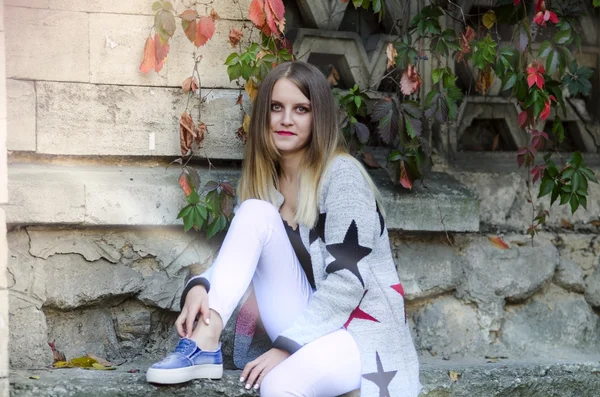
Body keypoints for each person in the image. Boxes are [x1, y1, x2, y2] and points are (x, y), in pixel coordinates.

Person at [146, 61, 421, 396]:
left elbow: (349, 282)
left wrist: (286, 348)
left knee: (279, 382)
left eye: (301, 109)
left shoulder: (342, 176)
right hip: (311, 324)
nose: (286, 119)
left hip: (360, 333)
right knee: (253, 212)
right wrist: (201, 287)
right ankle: (205, 341)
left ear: (317, 117)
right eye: (276, 107)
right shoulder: (266, 188)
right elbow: (236, 263)